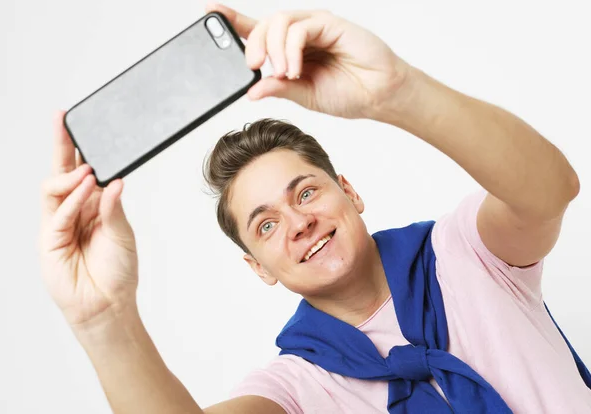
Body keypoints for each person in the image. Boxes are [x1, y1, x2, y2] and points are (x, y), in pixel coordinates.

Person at [38, 3, 591, 414]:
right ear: (258, 267)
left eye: (305, 192)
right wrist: (105, 321)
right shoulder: (295, 388)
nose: (299, 222)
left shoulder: (463, 252)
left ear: (350, 192)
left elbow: (549, 189)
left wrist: (395, 92)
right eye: (267, 224)